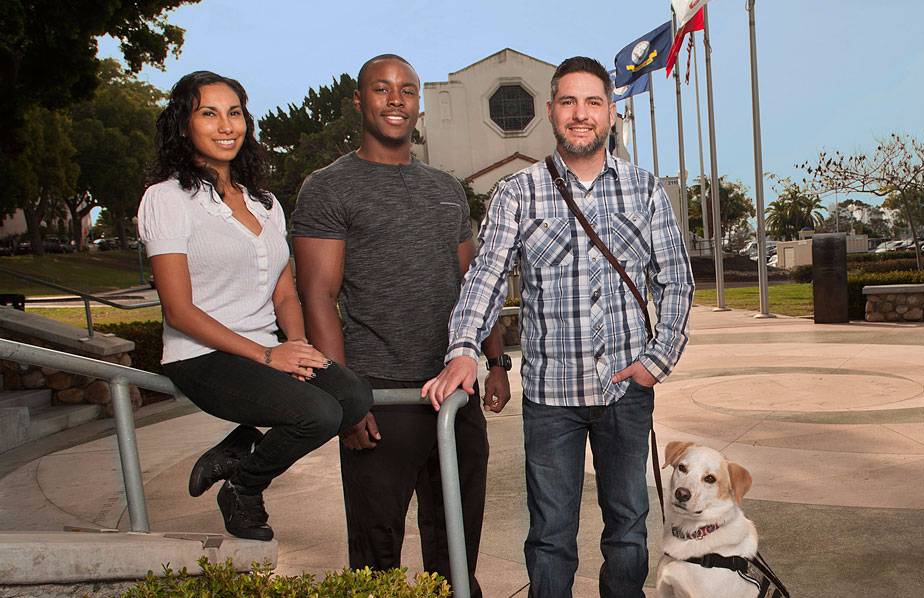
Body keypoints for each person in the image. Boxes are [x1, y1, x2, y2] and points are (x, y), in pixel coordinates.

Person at [422, 56, 694, 597]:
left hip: (625, 393)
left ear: (611, 114)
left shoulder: (645, 191)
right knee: (550, 534)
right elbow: (486, 279)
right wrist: (463, 351)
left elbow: (677, 284)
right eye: (568, 102)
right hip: (551, 400)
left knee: (628, 530)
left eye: (593, 102)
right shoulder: (518, 194)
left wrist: (654, 363)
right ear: (550, 111)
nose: (580, 114)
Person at [291, 54, 509, 595]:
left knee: (457, 547)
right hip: (379, 396)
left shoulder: (446, 188)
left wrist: (497, 361)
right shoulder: (329, 187)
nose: (395, 100)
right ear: (359, 102)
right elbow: (318, 296)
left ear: (419, 104)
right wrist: (345, 398)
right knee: (375, 557)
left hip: (452, 392)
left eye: (407, 90)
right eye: (382, 89)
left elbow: (474, 284)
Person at [138, 71, 373, 542]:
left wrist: (299, 347)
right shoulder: (166, 200)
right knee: (318, 415)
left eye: (235, 113)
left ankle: (239, 447)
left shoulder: (264, 204)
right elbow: (179, 311)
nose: (226, 125)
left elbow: (284, 292)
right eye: (209, 114)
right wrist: (268, 356)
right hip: (200, 355)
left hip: (266, 348)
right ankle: (244, 488)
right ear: (185, 125)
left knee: (352, 397)